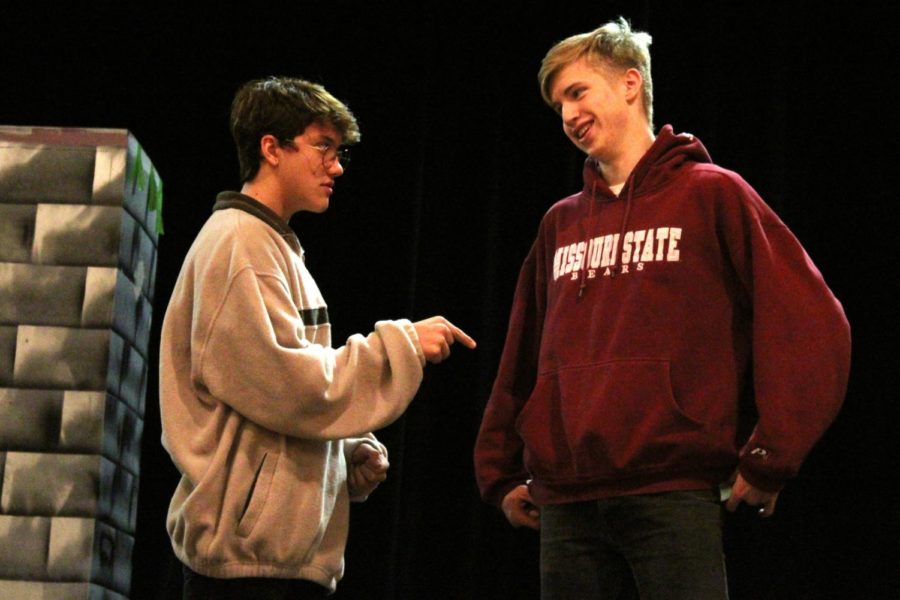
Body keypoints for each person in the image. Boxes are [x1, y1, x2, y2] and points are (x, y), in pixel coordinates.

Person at [473, 17, 850, 600]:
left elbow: (809, 325)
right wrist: (498, 474)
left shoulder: (712, 193)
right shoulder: (561, 222)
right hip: (565, 505)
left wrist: (770, 455)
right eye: (558, 106)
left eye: (578, 93)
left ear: (630, 83)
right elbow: (522, 354)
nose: (568, 116)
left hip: (673, 493)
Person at [159, 76, 476, 599]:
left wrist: (341, 452)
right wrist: (402, 346)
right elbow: (290, 386)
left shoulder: (272, 247)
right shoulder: (241, 247)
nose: (336, 165)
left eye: (339, 151)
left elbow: (270, 395)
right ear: (271, 149)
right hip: (247, 571)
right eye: (323, 147)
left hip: (275, 563)